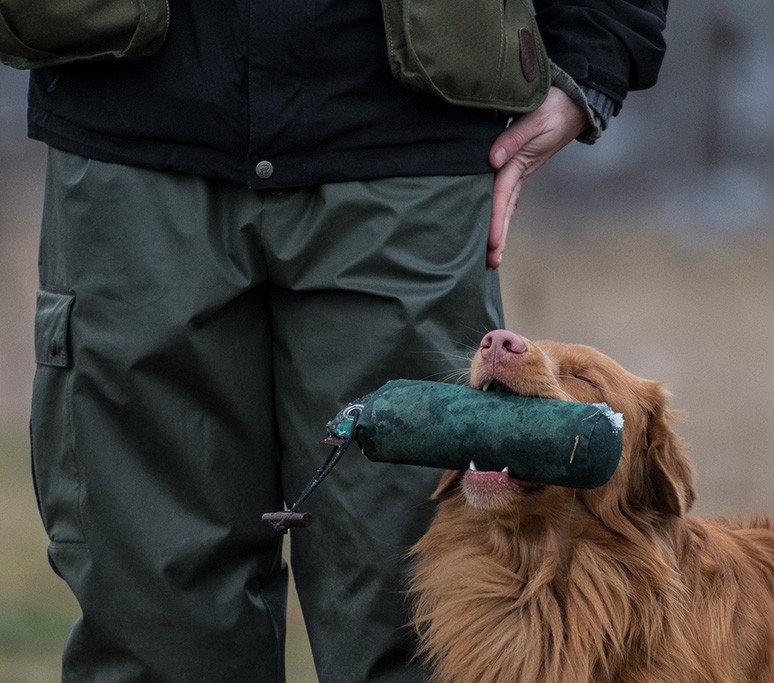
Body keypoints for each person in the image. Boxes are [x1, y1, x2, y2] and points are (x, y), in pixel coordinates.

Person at [22, 0, 668, 680]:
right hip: (129, 136)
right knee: (152, 631)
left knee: (428, 627)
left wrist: (595, 53)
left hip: (409, 150)